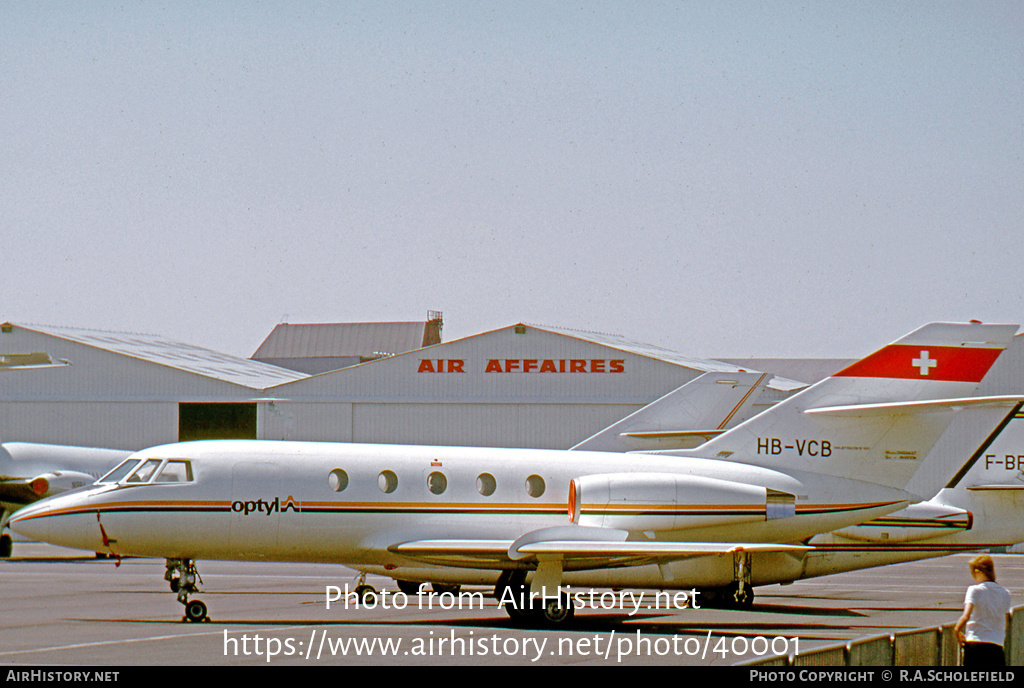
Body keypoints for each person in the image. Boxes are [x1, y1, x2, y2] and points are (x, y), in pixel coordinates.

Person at [953, 554, 1011, 666]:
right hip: (996, 645)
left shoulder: (975, 590)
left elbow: (966, 616)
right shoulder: (1005, 593)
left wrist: (957, 630)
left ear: (978, 572)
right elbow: (1006, 622)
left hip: (975, 644)